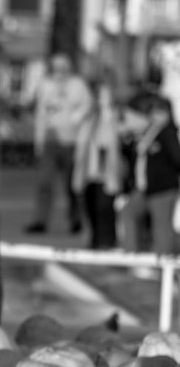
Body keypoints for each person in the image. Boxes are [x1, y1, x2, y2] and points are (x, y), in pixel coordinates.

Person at [24, 52, 93, 234]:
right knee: (44, 182)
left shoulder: (78, 85)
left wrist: (75, 119)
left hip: (71, 142)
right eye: (56, 67)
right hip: (50, 141)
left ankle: (75, 219)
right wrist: (38, 141)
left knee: (72, 184)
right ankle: (40, 220)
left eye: (63, 67)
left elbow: (88, 106)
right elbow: (40, 114)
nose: (60, 71)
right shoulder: (45, 85)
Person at [118, 84, 180, 266]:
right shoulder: (146, 133)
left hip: (163, 189)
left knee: (162, 228)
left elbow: (176, 158)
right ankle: (131, 257)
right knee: (128, 212)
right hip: (144, 189)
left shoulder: (166, 133)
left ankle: (164, 264)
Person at [71, 81, 123, 250]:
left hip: (108, 172)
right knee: (90, 206)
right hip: (90, 169)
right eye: (100, 95)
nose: (103, 99)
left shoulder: (119, 116)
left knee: (105, 208)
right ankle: (95, 239)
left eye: (106, 95)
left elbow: (133, 127)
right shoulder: (91, 117)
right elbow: (77, 130)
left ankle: (107, 241)